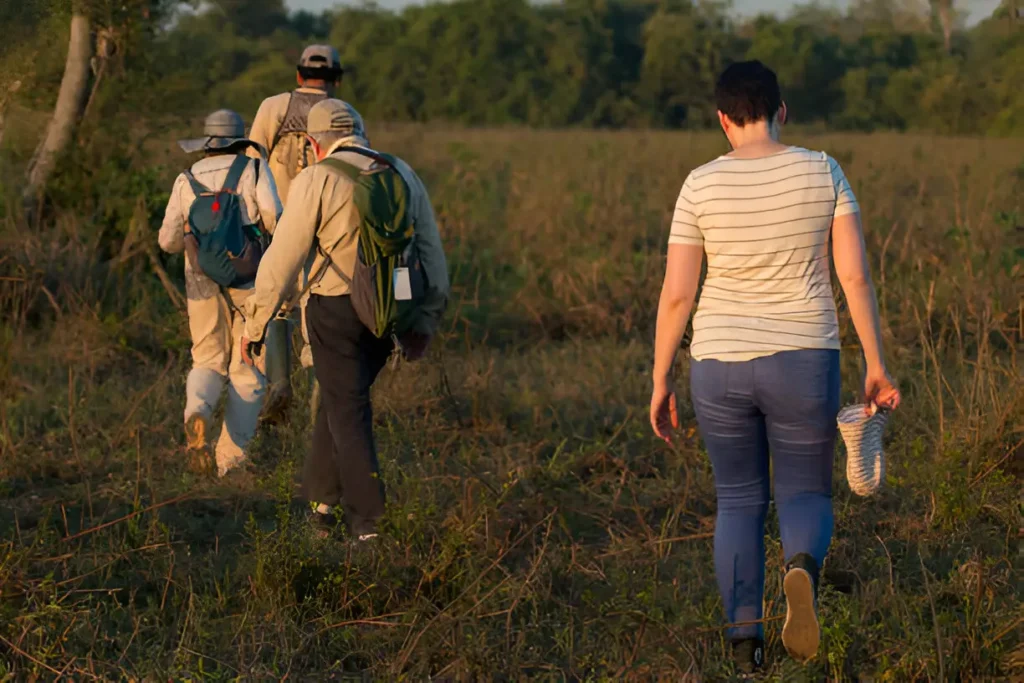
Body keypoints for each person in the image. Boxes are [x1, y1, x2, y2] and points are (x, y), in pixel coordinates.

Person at [649, 61, 901, 672]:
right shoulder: (823, 170)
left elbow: (678, 293)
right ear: (781, 111)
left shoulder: (698, 184)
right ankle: (800, 569)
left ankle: (744, 643)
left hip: (718, 363)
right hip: (804, 356)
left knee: (737, 500)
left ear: (723, 120)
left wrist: (660, 377)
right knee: (805, 489)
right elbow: (854, 275)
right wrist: (876, 364)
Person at [240, 99, 449, 541]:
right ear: (361, 133)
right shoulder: (400, 172)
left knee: (348, 408)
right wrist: (424, 319)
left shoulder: (316, 177)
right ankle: (320, 506)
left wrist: (255, 325)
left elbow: (283, 257)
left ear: (315, 143)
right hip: (392, 308)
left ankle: (368, 524)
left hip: (335, 309)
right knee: (341, 399)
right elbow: (431, 253)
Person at [159, 109, 283, 477]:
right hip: (248, 279)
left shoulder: (186, 179)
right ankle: (230, 462)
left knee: (206, 359)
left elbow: (166, 242)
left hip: (200, 279)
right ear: (239, 139)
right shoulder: (253, 169)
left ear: (207, 143)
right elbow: (275, 217)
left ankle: (197, 411)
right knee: (247, 369)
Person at [247, 45, 345, 418]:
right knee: (318, 308)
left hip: (281, 223)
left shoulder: (275, 106)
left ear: (299, 75)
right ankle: (321, 397)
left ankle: (279, 385)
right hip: (330, 229)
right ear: (336, 79)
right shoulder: (343, 116)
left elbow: (253, 161)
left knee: (278, 306)